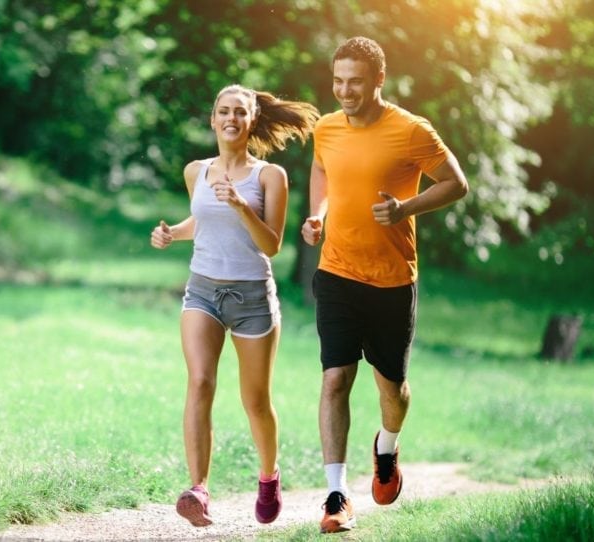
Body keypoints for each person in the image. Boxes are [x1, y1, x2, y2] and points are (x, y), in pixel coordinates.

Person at [300, 36, 469, 534]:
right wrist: (317, 214)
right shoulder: (326, 128)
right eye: (337, 81)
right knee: (335, 378)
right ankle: (336, 494)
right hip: (336, 271)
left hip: (393, 280)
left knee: (392, 388)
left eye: (355, 82)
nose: (345, 92)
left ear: (379, 79)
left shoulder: (412, 131)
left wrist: (404, 209)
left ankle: (387, 447)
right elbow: (321, 169)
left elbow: (456, 183)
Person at [151, 84, 319, 527]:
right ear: (212, 119)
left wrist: (244, 205)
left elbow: (273, 244)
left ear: (251, 121)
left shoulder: (270, 177)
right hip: (202, 289)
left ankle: (268, 477)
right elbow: (202, 221)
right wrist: (173, 233)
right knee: (201, 381)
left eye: (240, 112)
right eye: (223, 111)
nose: (231, 118)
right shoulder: (196, 171)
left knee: (256, 401)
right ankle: (199, 489)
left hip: (251, 298)